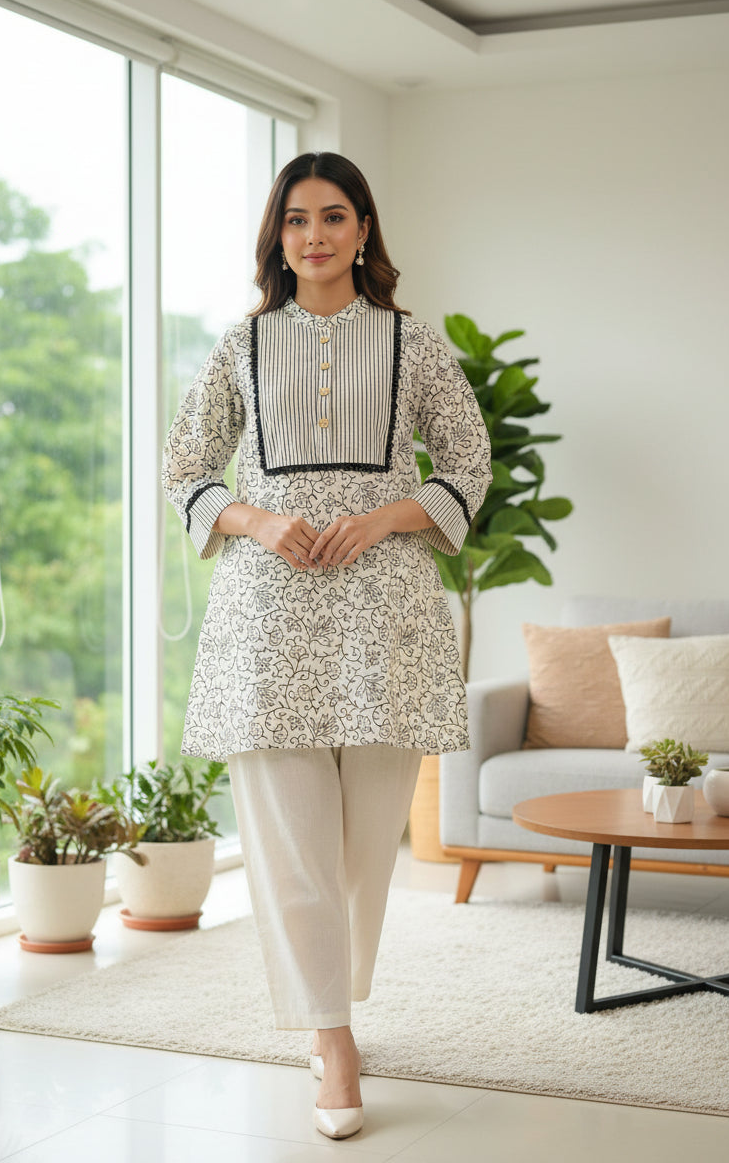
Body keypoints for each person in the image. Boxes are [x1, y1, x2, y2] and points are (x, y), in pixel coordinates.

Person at [162, 152, 491, 1140]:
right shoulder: (242, 343)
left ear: (363, 230)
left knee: (362, 847)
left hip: (386, 613)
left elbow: (468, 459)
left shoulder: (412, 341)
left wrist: (388, 514)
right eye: (297, 219)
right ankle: (334, 1037)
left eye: (333, 216)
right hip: (268, 614)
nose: (314, 236)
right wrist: (257, 520)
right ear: (278, 235)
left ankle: (327, 1002)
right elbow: (184, 465)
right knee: (290, 840)